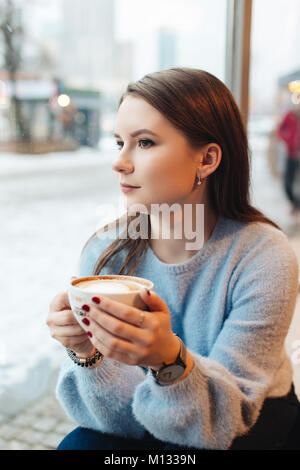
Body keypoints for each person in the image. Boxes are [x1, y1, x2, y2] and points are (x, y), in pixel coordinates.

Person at [47, 68, 300, 450]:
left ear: (207, 159)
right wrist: (87, 353)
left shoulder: (264, 255)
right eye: (119, 143)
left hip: (250, 419)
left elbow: (225, 421)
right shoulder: (107, 251)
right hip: (151, 412)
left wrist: (169, 358)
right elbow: (116, 421)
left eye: (145, 142)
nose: (120, 162)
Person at [277, 104, 300, 215]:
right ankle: (294, 203)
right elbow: (280, 131)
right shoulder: (289, 115)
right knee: (287, 183)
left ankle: (297, 207)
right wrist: (289, 140)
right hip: (291, 155)